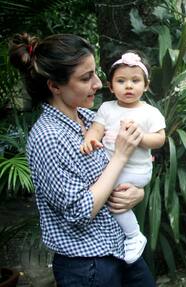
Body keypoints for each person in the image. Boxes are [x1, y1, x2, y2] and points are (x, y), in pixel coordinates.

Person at [9, 33, 156, 286]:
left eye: (95, 73)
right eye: (86, 78)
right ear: (54, 86)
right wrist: (120, 157)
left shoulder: (91, 120)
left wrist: (137, 192)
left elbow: (129, 169)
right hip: (88, 265)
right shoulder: (48, 138)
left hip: (121, 248)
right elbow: (80, 211)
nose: (98, 83)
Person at [81, 51, 166, 264]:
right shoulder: (107, 108)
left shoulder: (150, 112)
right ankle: (130, 236)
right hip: (115, 167)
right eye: (121, 81)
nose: (129, 86)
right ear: (111, 87)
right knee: (112, 195)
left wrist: (140, 138)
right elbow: (96, 128)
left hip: (136, 170)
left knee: (111, 195)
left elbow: (159, 140)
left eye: (135, 81)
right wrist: (89, 139)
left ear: (145, 86)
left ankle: (134, 235)